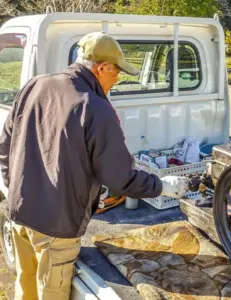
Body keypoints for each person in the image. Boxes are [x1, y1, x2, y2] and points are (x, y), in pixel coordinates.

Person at [0, 32, 190, 300]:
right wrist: (163, 185)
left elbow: (5, 146)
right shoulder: (95, 107)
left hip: (19, 212)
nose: (116, 80)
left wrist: (14, 187)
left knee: (26, 283)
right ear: (102, 67)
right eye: (117, 74)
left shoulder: (35, 85)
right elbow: (119, 178)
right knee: (50, 293)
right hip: (55, 227)